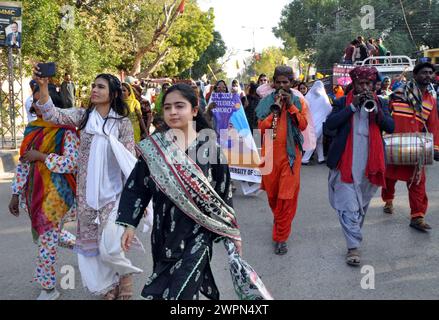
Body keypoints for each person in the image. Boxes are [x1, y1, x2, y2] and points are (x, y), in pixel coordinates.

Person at [116, 84, 248, 300]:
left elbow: (223, 194)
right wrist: (129, 224)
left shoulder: (210, 147)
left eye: (179, 106)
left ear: (194, 110)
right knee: (169, 287)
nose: (173, 112)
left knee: (182, 291)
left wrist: (232, 232)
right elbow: (137, 187)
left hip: (198, 233)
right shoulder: (154, 148)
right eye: (167, 108)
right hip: (164, 232)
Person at [33, 67, 140, 300]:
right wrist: (43, 86)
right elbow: (52, 114)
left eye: (100, 86)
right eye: (93, 86)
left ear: (112, 94)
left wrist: (135, 196)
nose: (94, 89)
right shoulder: (84, 117)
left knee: (111, 245)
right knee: (92, 249)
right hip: (87, 195)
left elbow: (128, 160)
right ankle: (107, 286)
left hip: (114, 195)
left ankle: (125, 275)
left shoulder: (122, 124)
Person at [8, 85, 78, 300]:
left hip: (57, 193)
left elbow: (71, 163)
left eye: (42, 100)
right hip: (35, 192)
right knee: (48, 235)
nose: (37, 105)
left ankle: (49, 289)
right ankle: (88, 248)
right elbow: (23, 163)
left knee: (46, 239)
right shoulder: (32, 129)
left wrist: (41, 156)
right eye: (36, 101)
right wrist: (15, 192)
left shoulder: (66, 131)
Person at [326, 66, 394, 266]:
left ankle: (353, 236)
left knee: (360, 206)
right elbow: (330, 125)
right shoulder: (341, 102)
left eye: (368, 84)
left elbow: (391, 127)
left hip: (369, 163)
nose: (364, 87)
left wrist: (378, 113)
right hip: (345, 164)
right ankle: (353, 247)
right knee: (349, 206)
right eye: (360, 84)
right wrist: (352, 107)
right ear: (354, 85)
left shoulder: (381, 103)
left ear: (373, 85)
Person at [256, 65, 309, 255]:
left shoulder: (299, 101)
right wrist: (274, 112)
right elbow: (261, 128)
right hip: (270, 155)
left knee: (286, 198)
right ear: (273, 83)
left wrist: (291, 106)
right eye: (278, 82)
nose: (281, 86)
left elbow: (303, 125)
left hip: (291, 155)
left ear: (291, 84)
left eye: (285, 82)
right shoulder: (265, 102)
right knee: (273, 196)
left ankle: (281, 237)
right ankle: (279, 220)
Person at [381, 63, 439, 231]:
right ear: (415, 75)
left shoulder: (431, 101)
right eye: (423, 72)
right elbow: (385, 116)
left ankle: (417, 216)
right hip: (394, 143)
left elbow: (434, 125)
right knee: (389, 178)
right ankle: (388, 199)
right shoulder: (398, 95)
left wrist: (435, 147)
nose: (427, 75)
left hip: (416, 145)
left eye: (430, 73)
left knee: (418, 181)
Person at [302, 81, 332, 165]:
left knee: (318, 140)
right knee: (315, 140)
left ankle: (321, 158)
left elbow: (304, 107)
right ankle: (305, 159)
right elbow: (329, 109)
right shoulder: (324, 97)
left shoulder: (308, 96)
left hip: (310, 121)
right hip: (321, 121)